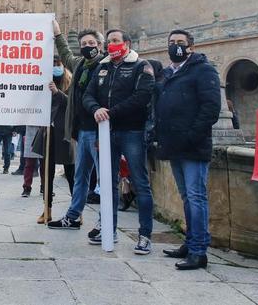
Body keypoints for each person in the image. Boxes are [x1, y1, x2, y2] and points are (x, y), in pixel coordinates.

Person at [83, 29, 155, 254]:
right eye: (109, 41)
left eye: (116, 41)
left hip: (132, 131)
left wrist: (110, 112)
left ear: (127, 43)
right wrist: (96, 109)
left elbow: (142, 97)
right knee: (107, 183)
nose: (111, 45)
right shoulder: (103, 67)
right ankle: (109, 229)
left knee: (140, 183)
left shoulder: (141, 66)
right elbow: (88, 94)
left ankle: (145, 236)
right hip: (107, 132)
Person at [155, 29, 221, 270]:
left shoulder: (203, 70)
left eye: (180, 42)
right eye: (171, 42)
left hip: (193, 146)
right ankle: (190, 242)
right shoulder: (168, 73)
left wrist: (192, 135)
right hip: (174, 146)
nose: (176, 46)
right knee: (187, 197)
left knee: (196, 197)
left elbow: (211, 108)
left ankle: (198, 251)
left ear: (191, 46)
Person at [48, 23, 106, 231]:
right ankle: (73, 217)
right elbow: (65, 53)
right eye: (84, 44)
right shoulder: (80, 64)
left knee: (103, 180)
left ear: (100, 45)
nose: (87, 46)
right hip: (82, 132)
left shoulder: (106, 66)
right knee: (81, 176)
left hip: (100, 133)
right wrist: (57, 33)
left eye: (91, 43)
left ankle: (105, 223)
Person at [33, 57, 74, 224]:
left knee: (71, 173)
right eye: (52, 65)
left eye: (58, 64)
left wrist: (57, 92)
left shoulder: (71, 82)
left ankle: (75, 211)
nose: (55, 67)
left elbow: (72, 104)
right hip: (48, 132)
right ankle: (46, 209)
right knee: (46, 173)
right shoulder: (44, 81)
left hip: (65, 133)